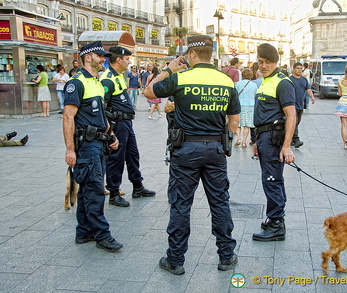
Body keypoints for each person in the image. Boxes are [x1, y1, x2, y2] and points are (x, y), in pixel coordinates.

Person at [144, 35, 240, 275]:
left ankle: (175, 260)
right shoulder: (226, 81)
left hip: (185, 151)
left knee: (181, 205)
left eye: (187, 55)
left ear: (194, 55)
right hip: (216, 150)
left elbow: (148, 92)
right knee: (219, 202)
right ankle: (226, 256)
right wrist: (223, 142)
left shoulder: (180, 78)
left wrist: (168, 68)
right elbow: (234, 120)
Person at [63, 41, 123, 252]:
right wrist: (70, 149)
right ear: (88, 57)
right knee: (95, 190)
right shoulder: (76, 82)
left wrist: (111, 135)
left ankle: (84, 231)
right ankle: (102, 235)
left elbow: (99, 116)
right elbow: (68, 117)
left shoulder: (96, 82)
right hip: (86, 146)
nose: (103, 59)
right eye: (100, 56)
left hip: (98, 143)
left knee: (87, 189)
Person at [100, 46, 156, 208]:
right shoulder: (107, 80)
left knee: (132, 155)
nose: (129, 62)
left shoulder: (118, 76)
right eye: (127, 59)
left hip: (126, 123)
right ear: (118, 60)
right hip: (117, 124)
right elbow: (103, 109)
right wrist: (109, 131)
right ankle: (114, 192)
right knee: (116, 158)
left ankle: (137, 187)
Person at [252, 43, 297, 242]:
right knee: (271, 178)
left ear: (276, 62)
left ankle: (277, 223)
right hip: (263, 138)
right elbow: (262, 114)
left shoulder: (282, 82)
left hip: (273, 139)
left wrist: (286, 146)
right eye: (260, 62)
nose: (263, 66)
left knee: (272, 180)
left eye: (267, 62)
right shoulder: (265, 81)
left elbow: (291, 115)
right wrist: (255, 140)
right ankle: (274, 219)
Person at [290, 62, 315, 148]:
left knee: (297, 122)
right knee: (294, 122)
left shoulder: (304, 80)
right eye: (298, 68)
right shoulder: (290, 79)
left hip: (300, 105)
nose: (300, 70)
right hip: (291, 105)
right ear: (293, 69)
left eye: (301, 68)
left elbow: (308, 89)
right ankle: (296, 140)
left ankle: (291, 139)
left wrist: (312, 97)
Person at [235, 68, 258, 147]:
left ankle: (238, 138)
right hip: (250, 106)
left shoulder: (238, 84)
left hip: (239, 105)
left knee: (238, 124)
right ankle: (244, 141)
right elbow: (255, 95)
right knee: (247, 125)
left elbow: (235, 94)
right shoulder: (254, 85)